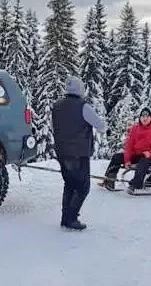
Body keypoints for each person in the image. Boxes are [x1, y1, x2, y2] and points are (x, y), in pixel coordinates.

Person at [51, 76, 106, 231]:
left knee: (69, 184)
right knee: (82, 187)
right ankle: (71, 218)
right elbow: (101, 126)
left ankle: (65, 218)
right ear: (80, 89)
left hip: (62, 152)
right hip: (79, 153)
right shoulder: (83, 106)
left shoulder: (56, 106)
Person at [99, 107, 151, 193]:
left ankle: (135, 185)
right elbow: (129, 146)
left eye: (147, 116)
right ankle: (109, 181)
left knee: (143, 163)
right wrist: (127, 160)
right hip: (137, 155)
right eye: (142, 116)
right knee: (116, 157)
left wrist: (150, 153)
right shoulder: (135, 128)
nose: (145, 118)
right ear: (140, 118)